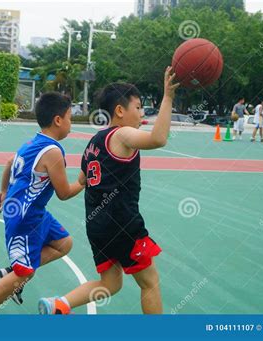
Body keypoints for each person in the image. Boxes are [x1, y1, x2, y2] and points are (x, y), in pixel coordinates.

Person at [38, 66, 179, 315]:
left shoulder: (94, 142)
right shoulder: (123, 133)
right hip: (123, 223)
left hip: (97, 225)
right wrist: (167, 97)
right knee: (150, 282)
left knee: (110, 284)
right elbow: (158, 139)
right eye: (137, 107)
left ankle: (59, 304)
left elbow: (81, 182)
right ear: (120, 111)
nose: (141, 113)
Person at [0, 92, 85, 314]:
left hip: (34, 213)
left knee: (64, 243)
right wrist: (84, 182)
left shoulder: (33, 142)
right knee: (24, 272)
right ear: (58, 120)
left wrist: (4, 191)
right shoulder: (53, 153)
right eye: (70, 117)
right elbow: (64, 193)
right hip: (25, 218)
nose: (71, 123)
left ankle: (13, 270)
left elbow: (9, 162)